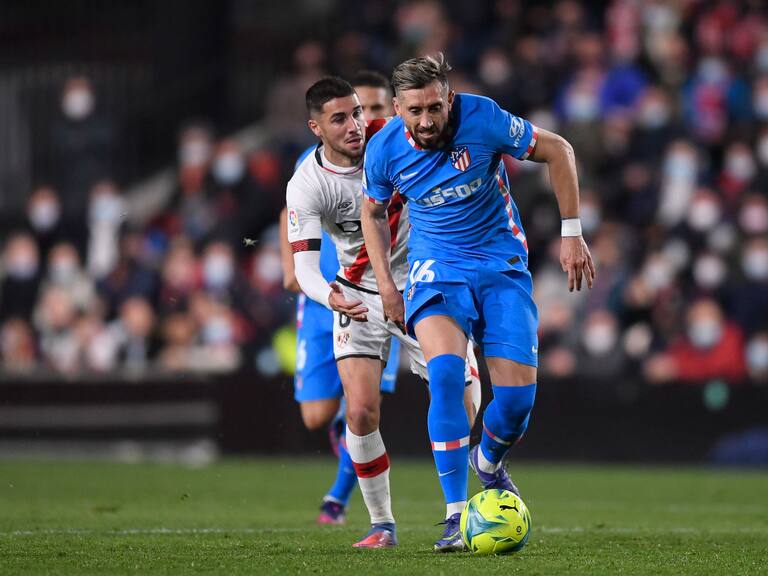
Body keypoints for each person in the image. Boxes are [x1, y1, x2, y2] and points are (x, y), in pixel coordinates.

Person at [361, 54, 595, 551]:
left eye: (434, 107)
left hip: (500, 265)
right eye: (414, 111)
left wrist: (572, 232)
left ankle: (487, 461)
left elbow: (559, 150)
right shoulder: (382, 150)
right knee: (446, 374)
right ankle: (454, 515)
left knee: (514, 404)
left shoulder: (484, 118)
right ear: (398, 108)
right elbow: (372, 210)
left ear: (448, 97)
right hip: (436, 268)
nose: (426, 121)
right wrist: (386, 283)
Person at [285, 76, 480, 549]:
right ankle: (382, 525)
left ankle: (477, 485)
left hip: (423, 286)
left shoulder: (393, 138)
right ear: (316, 127)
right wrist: (328, 295)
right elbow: (304, 267)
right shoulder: (308, 184)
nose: (354, 124)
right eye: (339, 119)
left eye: (356, 112)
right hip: (357, 294)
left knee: (468, 407)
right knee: (359, 410)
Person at [278, 71, 402, 528]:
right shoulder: (307, 171)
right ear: (319, 126)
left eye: (369, 110)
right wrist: (292, 270)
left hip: (378, 295)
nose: (362, 122)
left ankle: (341, 499)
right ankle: (344, 442)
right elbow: (288, 215)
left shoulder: (393, 149)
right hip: (322, 296)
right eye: (352, 113)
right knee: (316, 417)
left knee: (363, 406)